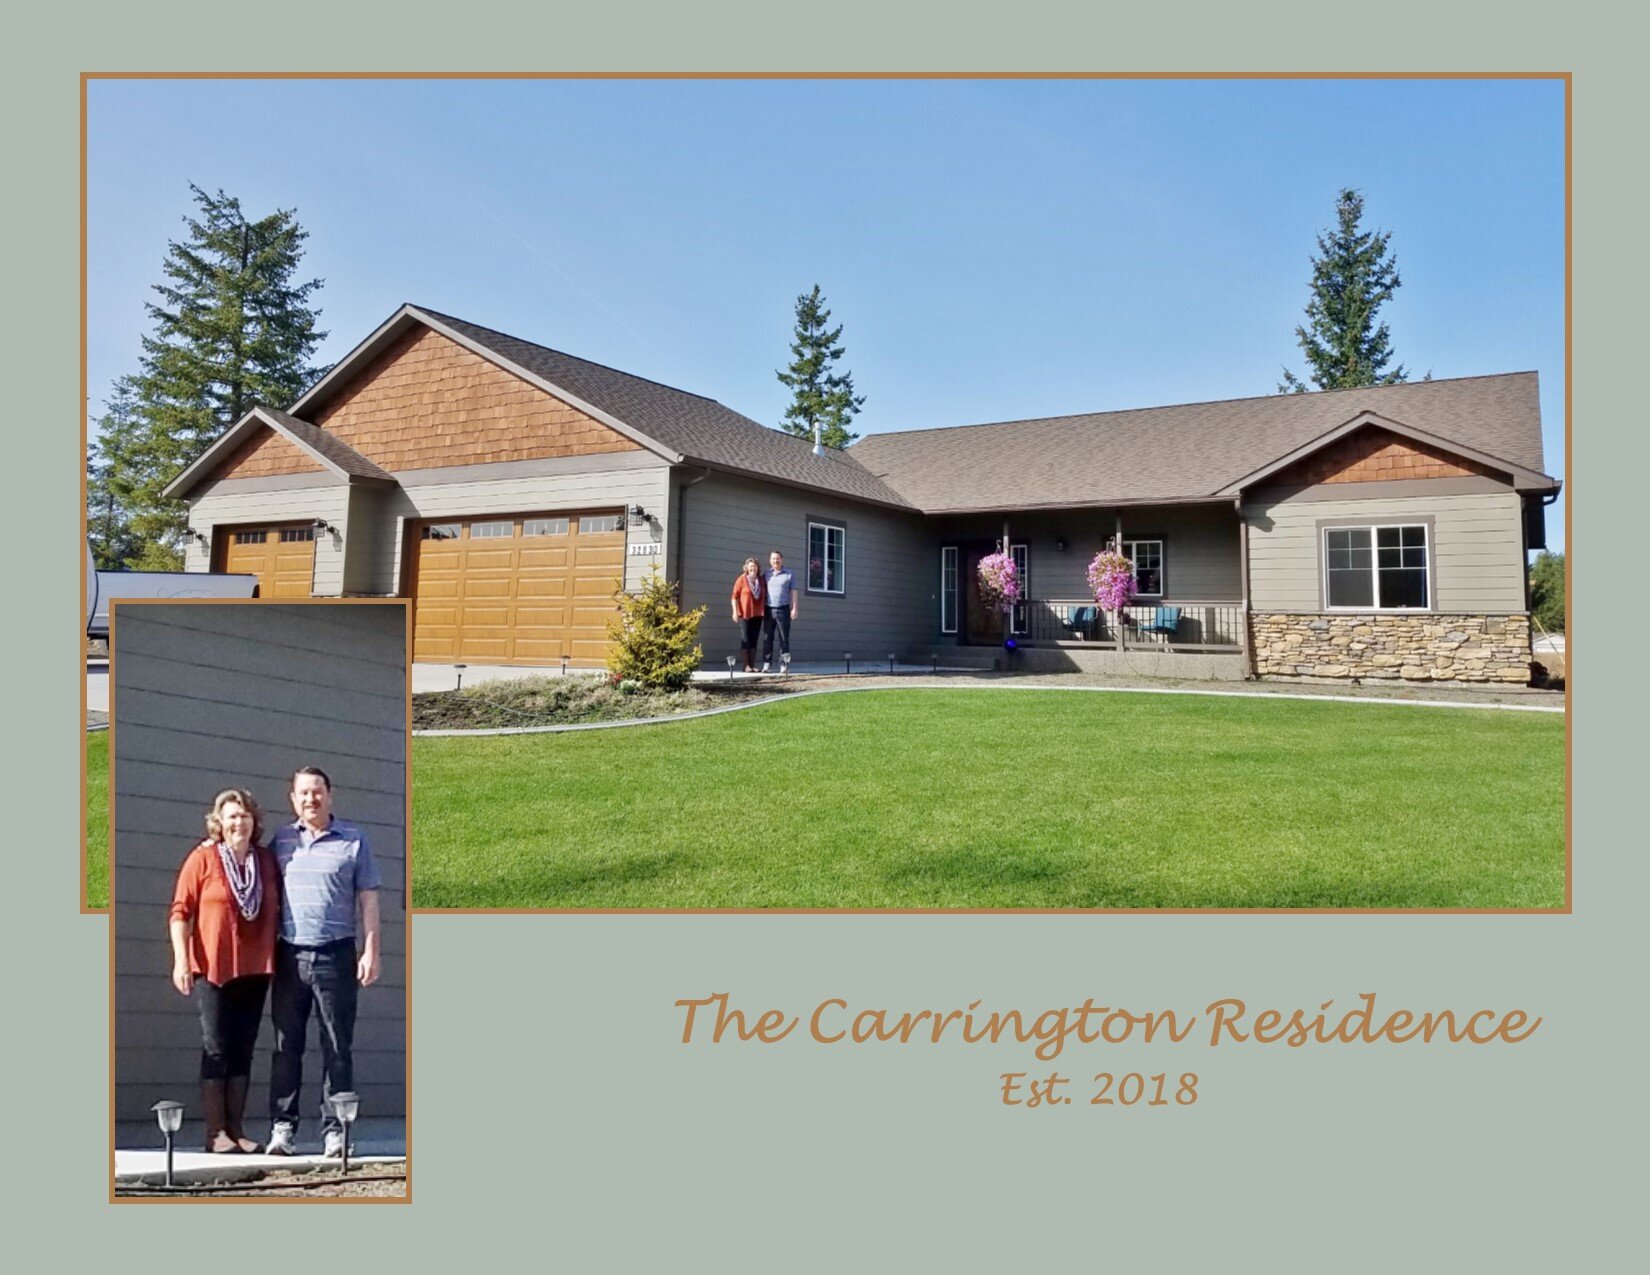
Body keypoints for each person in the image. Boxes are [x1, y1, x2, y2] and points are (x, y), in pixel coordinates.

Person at [267, 766, 382, 1158]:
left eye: (317, 792)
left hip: (337, 954)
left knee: (337, 1045)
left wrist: (371, 950)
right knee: (286, 1046)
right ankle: (283, 1129)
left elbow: (368, 898)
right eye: (303, 793)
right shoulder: (281, 840)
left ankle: (336, 1131)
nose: (310, 799)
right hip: (289, 955)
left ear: (330, 796)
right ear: (292, 798)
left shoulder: (353, 839)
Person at [169, 789, 280, 1154]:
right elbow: (180, 912)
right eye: (232, 816)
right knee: (216, 1047)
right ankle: (215, 1132)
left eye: (245, 815)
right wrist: (181, 960)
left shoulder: (265, 861)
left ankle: (236, 1129)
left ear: (254, 822)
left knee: (243, 1049)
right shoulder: (202, 858)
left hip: (255, 967)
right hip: (213, 967)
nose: (239, 822)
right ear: (219, 822)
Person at [760, 549, 799, 672]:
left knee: (784, 638)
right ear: (770, 560)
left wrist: (794, 608)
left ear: (781, 560)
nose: (775, 560)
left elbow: (794, 592)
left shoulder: (789, 574)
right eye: (773, 559)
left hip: (783, 609)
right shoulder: (766, 574)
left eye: (777, 558)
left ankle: (783, 665)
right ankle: (767, 664)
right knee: (767, 638)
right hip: (768, 609)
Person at [730, 555, 767, 672]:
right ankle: (746, 665)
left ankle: (752, 665)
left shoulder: (761, 580)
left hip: (758, 614)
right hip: (745, 614)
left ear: (758, 568)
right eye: (751, 566)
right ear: (746, 568)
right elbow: (734, 597)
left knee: (754, 638)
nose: (753, 568)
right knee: (746, 638)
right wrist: (735, 612)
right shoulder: (741, 579)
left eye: (755, 566)